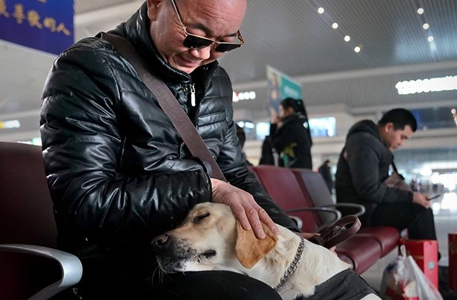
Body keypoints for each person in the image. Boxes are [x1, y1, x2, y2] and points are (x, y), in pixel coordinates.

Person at [39, 0, 299, 299]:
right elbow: (84, 200)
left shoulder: (216, 81)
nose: (202, 54)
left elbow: (236, 174)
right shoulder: (88, 67)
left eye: (222, 44)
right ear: (156, 5)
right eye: (195, 36)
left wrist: (287, 234)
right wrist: (205, 188)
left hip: (201, 244)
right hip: (121, 256)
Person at [335, 108, 457, 300]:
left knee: (420, 210)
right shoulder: (364, 142)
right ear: (389, 127)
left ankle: (430, 271)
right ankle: (429, 277)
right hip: (360, 213)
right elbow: (368, 189)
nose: (401, 143)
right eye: (402, 137)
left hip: (369, 208)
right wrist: (410, 198)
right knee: (419, 212)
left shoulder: (373, 142)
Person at [265, 97, 313, 169]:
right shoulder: (299, 125)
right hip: (303, 169)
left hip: (293, 171)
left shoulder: (290, 127)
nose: (279, 114)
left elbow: (275, 145)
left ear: (289, 110)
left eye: (281, 110)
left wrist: (273, 126)